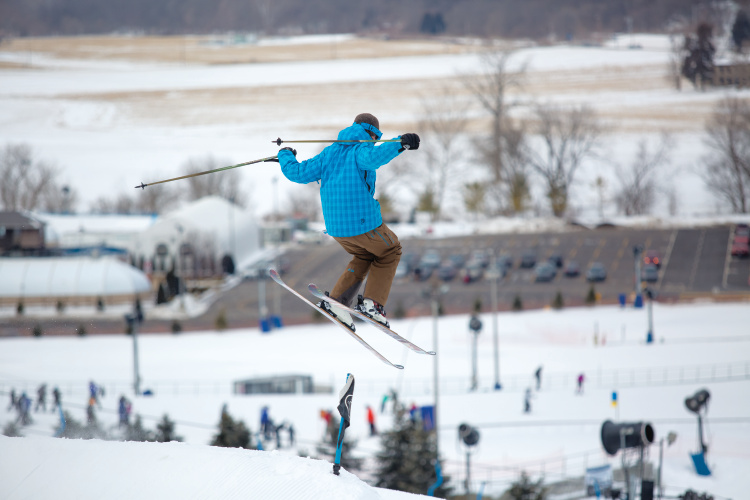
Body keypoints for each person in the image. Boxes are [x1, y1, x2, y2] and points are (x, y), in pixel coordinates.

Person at [277, 113, 420, 329]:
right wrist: (401, 143)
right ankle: (372, 305)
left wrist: (284, 154)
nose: (375, 140)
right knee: (391, 250)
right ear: (372, 132)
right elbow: (374, 157)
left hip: (337, 229)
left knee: (365, 255)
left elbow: (296, 172)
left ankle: (337, 303)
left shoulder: (329, 153)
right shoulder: (361, 149)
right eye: (376, 136)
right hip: (362, 223)